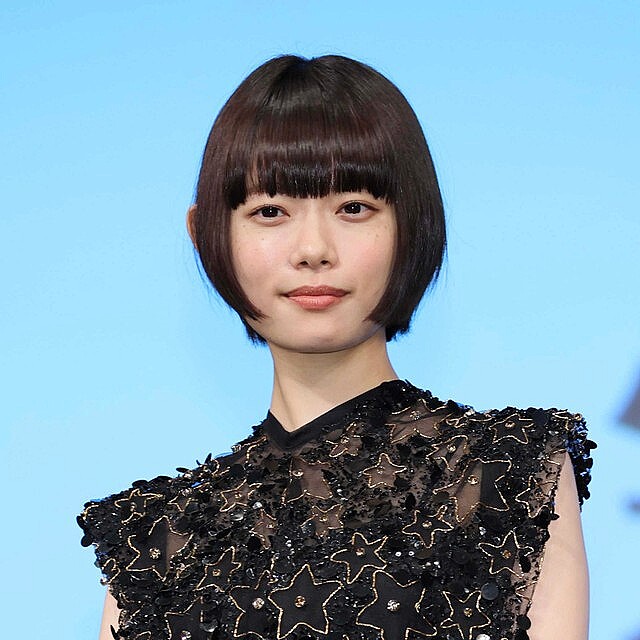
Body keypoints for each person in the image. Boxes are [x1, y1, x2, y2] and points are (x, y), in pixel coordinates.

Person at [78, 54, 596, 640]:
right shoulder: (151, 540)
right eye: (270, 211)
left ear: (416, 224)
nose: (313, 250)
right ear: (205, 236)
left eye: (353, 208)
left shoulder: (507, 472)